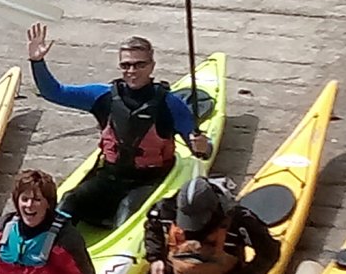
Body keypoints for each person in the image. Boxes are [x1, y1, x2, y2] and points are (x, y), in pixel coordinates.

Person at [25, 23, 212, 227]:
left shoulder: (170, 104)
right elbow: (54, 92)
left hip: (149, 180)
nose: (132, 71)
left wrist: (202, 146)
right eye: (126, 65)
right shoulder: (102, 96)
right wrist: (37, 61)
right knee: (70, 201)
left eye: (139, 65)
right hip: (110, 176)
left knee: (126, 210)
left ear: (152, 66)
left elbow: (202, 149)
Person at [143, 176, 281, 274]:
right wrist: (155, 258)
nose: (191, 229)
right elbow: (152, 228)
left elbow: (270, 252)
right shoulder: (166, 209)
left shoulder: (238, 220)